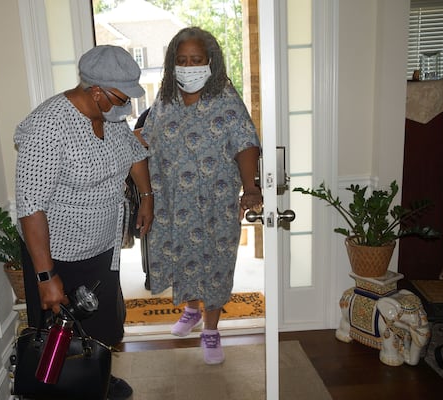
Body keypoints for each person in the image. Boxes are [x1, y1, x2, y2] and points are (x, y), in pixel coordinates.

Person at [14, 45, 154, 399]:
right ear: (96, 91)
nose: (127, 106)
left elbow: (136, 155)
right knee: (59, 339)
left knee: (103, 325)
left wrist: (147, 198)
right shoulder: (48, 127)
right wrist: (46, 277)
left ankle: (96, 379)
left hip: (103, 248)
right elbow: (31, 207)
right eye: (122, 97)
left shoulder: (111, 117)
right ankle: (63, 390)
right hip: (59, 254)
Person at [141, 27, 263, 365]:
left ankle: (211, 330)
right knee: (183, 259)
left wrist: (251, 188)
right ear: (172, 64)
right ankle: (191, 310)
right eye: (182, 60)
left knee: (215, 266)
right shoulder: (164, 99)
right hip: (171, 203)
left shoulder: (224, 96)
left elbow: (245, 143)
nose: (189, 66)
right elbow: (147, 139)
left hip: (215, 203)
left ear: (210, 61)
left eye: (196, 60)